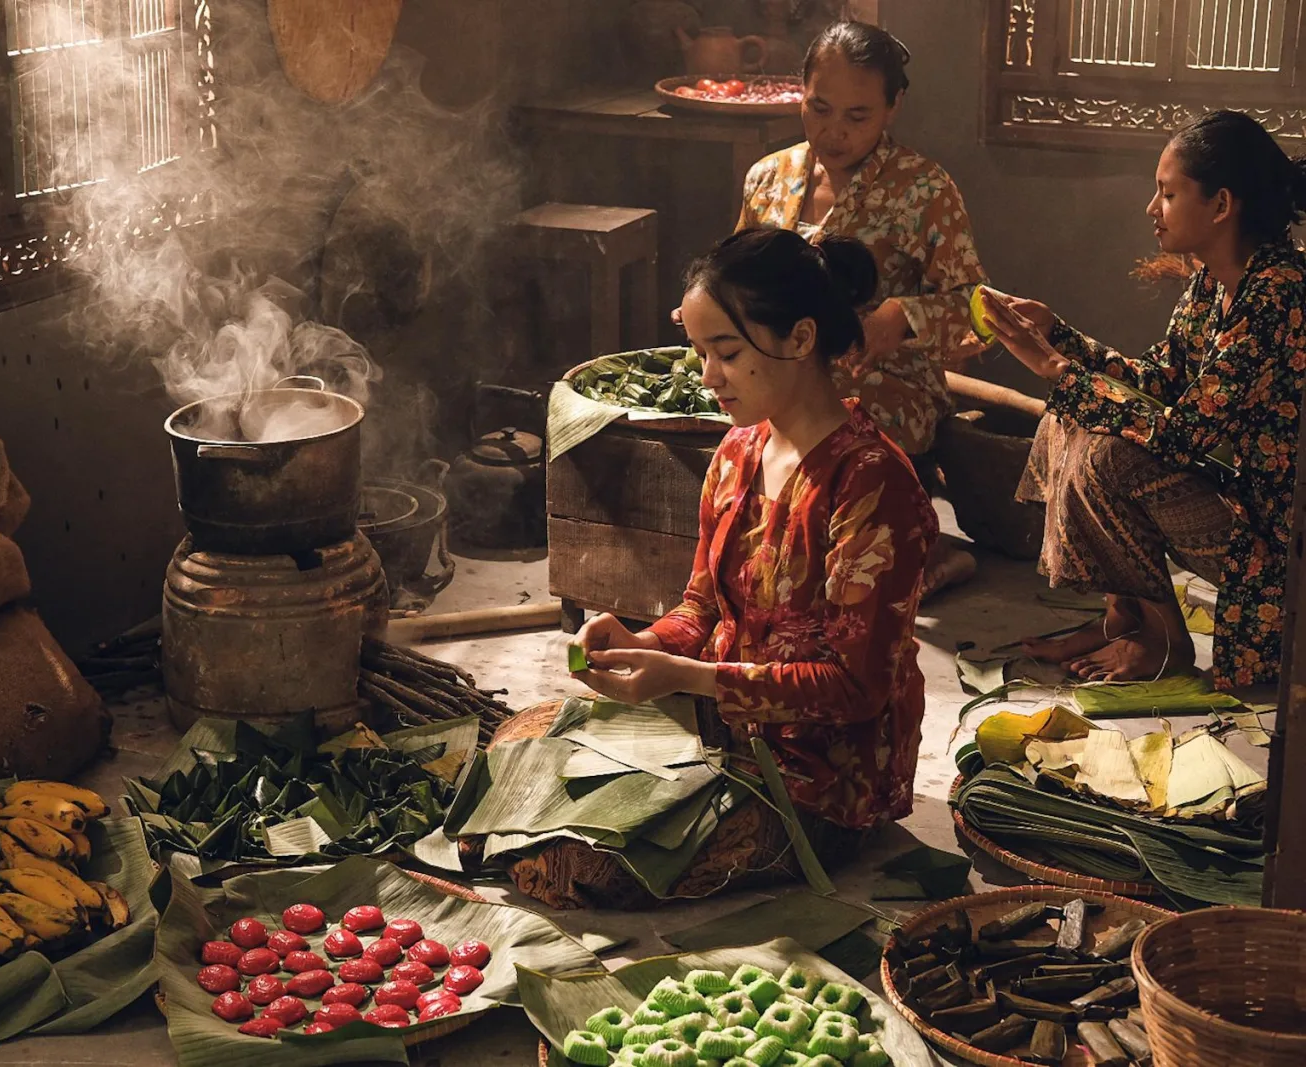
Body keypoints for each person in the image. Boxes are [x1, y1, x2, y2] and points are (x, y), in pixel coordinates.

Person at [499, 227, 936, 910]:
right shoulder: (736, 451)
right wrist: (644, 645)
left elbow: (856, 688)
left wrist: (689, 678)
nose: (707, 377)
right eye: (700, 353)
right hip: (716, 735)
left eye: (726, 353)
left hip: (816, 784)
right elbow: (703, 609)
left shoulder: (872, 483)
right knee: (513, 747)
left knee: (579, 860)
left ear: (799, 338)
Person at [980, 110, 1306, 689]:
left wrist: (1057, 369)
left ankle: (1161, 643)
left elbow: (1180, 434)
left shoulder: (1279, 294)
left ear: (1221, 205)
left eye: (1168, 192)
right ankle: (1125, 621)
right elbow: (1157, 381)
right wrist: (1060, 337)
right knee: (1071, 419)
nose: (1151, 209)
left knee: (1110, 454)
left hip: (1279, 539)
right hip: (1242, 506)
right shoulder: (1214, 281)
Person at [735, 20, 987, 598]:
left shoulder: (923, 189)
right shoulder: (768, 176)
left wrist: (900, 319)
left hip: (883, 383)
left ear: (893, 107)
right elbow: (739, 277)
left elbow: (977, 312)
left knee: (834, 430)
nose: (833, 132)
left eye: (857, 116)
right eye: (818, 108)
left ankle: (919, 551)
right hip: (778, 370)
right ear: (800, 91)